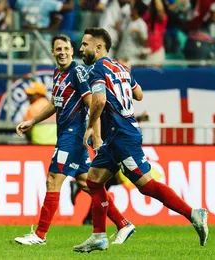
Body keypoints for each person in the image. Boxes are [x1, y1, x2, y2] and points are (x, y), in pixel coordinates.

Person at [73, 27, 209, 253]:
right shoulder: (121, 67)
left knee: (146, 186)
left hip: (123, 136)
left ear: (98, 47)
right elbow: (139, 94)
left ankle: (194, 214)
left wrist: (91, 129)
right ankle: (98, 235)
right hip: (116, 136)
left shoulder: (96, 70)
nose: (81, 48)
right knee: (94, 182)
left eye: (85, 44)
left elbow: (98, 101)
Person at [14, 34, 135, 245]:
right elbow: (54, 103)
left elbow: (93, 104)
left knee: (53, 179)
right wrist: (32, 121)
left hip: (73, 135)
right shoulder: (57, 73)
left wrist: (96, 135)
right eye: (58, 49)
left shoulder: (77, 72)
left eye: (66, 49)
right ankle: (123, 223)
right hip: (68, 136)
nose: (62, 52)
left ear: (72, 50)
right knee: (89, 184)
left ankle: (40, 235)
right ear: (52, 52)